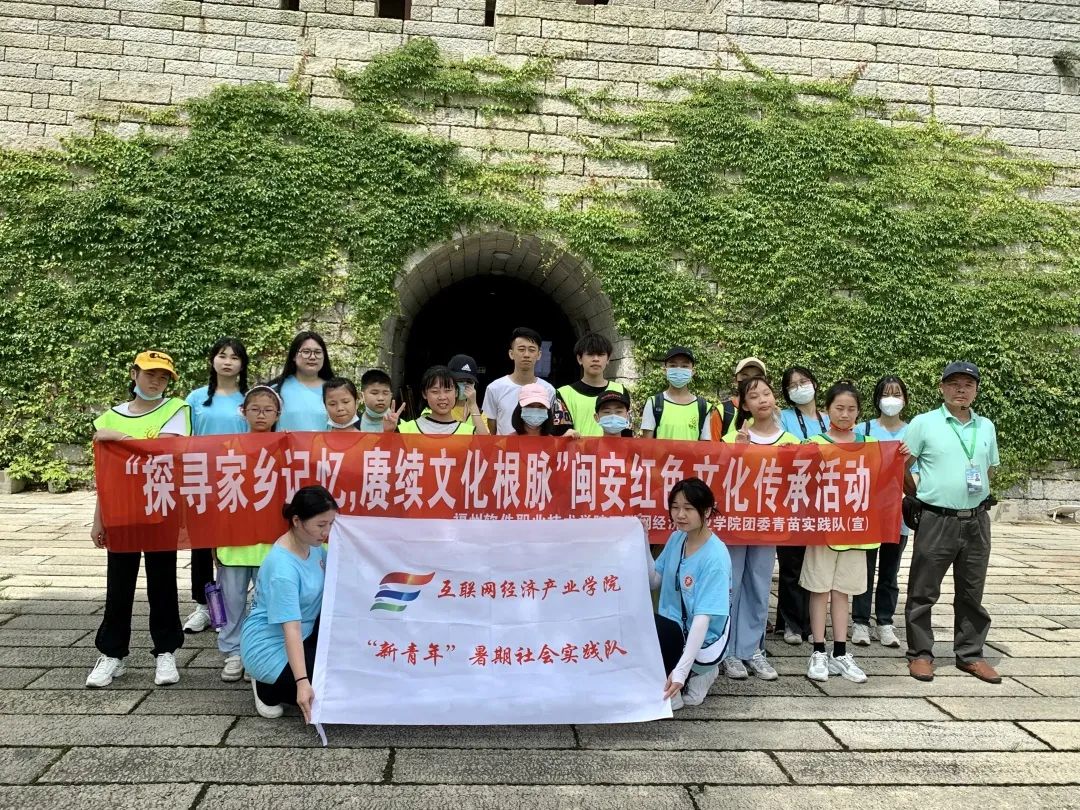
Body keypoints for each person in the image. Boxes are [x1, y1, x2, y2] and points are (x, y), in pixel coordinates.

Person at [86, 350, 192, 689]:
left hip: (161, 507)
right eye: (150, 374)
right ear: (134, 374)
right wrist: (99, 519)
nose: (156, 382)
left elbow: (164, 451)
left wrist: (119, 439)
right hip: (121, 512)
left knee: (163, 582)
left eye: (163, 377)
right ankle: (112, 653)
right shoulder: (108, 418)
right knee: (119, 584)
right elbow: (105, 478)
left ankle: (166, 651)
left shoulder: (176, 410)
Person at [903, 361, 1001, 684]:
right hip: (937, 519)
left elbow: (989, 468)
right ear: (942, 388)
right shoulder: (923, 423)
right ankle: (920, 653)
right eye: (954, 384)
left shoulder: (985, 426)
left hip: (976, 521)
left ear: (976, 390)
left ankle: (970, 654)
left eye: (968, 385)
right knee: (923, 590)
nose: (961, 390)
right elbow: (903, 465)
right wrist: (920, 496)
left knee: (972, 590)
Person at [801, 381, 884, 684]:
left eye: (851, 409)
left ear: (859, 412)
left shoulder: (872, 445)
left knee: (842, 591)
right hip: (823, 530)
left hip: (855, 531)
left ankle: (840, 652)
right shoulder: (814, 443)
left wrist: (901, 455)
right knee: (819, 589)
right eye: (839, 408)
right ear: (827, 410)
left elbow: (882, 481)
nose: (845, 414)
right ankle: (818, 651)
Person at [719, 377, 800, 681]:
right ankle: (727, 650)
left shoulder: (790, 441)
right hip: (736, 525)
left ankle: (752, 648)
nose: (762, 400)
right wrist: (737, 453)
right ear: (743, 404)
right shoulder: (731, 438)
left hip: (768, 525)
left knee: (759, 584)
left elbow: (798, 484)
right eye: (754, 396)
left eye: (766, 393)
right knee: (731, 585)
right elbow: (720, 481)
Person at [241, 486, 338, 720]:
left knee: (347, 664)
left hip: (306, 631)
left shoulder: (312, 545)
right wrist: (302, 682)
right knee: (334, 682)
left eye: (331, 524)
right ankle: (266, 686)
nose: (326, 532)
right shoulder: (283, 570)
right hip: (271, 647)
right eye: (321, 525)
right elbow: (290, 629)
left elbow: (339, 567)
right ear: (297, 521)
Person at [182, 338, 249, 635]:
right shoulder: (196, 398)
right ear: (212, 360)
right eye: (222, 356)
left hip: (238, 480)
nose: (227, 362)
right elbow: (184, 438)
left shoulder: (249, 398)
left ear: (242, 364)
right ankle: (204, 605)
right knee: (202, 544)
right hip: (202, 478)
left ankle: (232, 605)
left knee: (233, 544)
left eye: (234, 357)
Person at [216, 385, 281, 682]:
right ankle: (233, 652)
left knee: (266, 602)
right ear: (243, 412)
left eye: (268, 410)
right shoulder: (228, 447)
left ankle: (258, 652)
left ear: (278, 414)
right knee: (232, 600)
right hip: (233, 542)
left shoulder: (286, 446)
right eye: (255, 409)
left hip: (270, 541)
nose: (261, 415)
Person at [648, 478, 731, 710]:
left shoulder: (715, 558)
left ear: (706, 511)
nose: (680, 515)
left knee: (690, 700)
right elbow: (654, 581)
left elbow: (703, 620)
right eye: (675, 507)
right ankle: (672, 676)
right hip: (674, 630)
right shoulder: (677, 538)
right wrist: (642, 542)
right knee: (643, 623)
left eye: (688, 508)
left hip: (701, 638)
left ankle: (700, 671)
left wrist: (681, 672)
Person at [852, 375, 913, 648]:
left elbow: (917, 475)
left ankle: (885, 622)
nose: (892, 399)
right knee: (863, 569)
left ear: (905, 399)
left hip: (897, 514)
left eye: (897, 394)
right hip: (867, 512)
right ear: (877, 399)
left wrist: (908, 460)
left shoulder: (912, 433)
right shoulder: (863, 429)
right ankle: (860, 621)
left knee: (890, 571)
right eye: (886, 394)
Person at [774, 365, 828, 647]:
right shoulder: (781, 417)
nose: (800, 388)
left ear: (815, 383)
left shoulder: (829, 418)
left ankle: (811, 622)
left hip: (824, 500)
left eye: (804, 381)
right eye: (792, 385)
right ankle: (791, 624)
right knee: (791, 564)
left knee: (816, 564)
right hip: (792, 499)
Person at [482, 327, 557, 435]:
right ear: (511, 353)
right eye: (521, 349)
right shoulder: (494, 388)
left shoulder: (549, 390)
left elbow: (550, 426)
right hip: (504, 445)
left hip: (537, 446)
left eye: (532, 350)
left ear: (539, 354)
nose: (526, 355)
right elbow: (491, 429)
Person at [553, 332, 627, 437]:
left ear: (608, 359)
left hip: (612, 448)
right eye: (590, 354)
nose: (596, 359)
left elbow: (627, 433)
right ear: (579, 359)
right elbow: (561, 433)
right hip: (578, 448)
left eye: (601, 354)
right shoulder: (563, 393)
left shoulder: (620, 390)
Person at [641, 346, 713, 441]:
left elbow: (705, 445)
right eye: (673, 365)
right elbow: (646, 445)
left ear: (692, 372)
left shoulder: (703, 406)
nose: (679, 369)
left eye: (684, 366)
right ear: (665, 370)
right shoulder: (654, 403)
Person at [270, 331, 335, 432]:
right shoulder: (276, 389)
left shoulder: (334, 389)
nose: (312, 357)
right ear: (294, 356)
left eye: (318, 352)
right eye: (306, 352)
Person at [398, 365, 490, 436]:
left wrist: (472, 405)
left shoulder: (468, 432)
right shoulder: (407, 429)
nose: (442, 397)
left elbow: (485, 446)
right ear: (424, 394)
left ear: (456, 392)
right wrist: (390, 430)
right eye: (435, 391)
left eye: (448, 390)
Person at [716, 356, 767, 438]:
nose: (751, 382)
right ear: (735, 380)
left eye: (757, 377)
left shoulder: (772, 412)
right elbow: (713, 445)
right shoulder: (722, 411)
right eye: (745, 376)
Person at [357, 369, 404, 433]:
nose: (381, 398)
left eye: (385, 393)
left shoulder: (404, 426)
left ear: (391, 396)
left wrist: (390, 432)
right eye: (374, 393)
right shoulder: (351, 424)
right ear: (362, 396)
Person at [447, 354, 481, 422]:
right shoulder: (437, 409)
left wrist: (473, 405)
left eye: (469, 381)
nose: (464, 385)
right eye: (460, 380)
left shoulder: (479, 413)